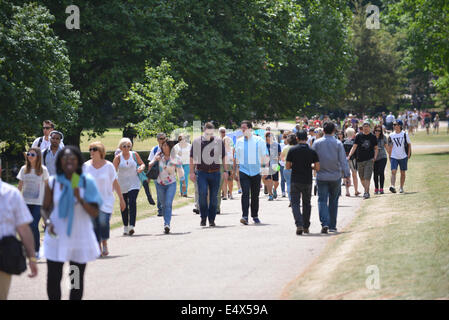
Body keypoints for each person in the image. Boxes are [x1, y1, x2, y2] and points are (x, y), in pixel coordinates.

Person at [40, 146, 102, 300]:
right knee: (54, 278)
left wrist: (80, 198)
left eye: (72, 158)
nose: (69, 161)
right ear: (60, 162)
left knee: (75, 280)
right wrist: (48, 222)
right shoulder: (53, 182)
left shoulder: (86, 182)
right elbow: (45, 208)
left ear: (78, 162)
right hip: (56, 236)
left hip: (78, 238)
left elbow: (95, 212)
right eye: (65, 158)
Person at [0, 158, 38, 300]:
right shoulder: (12, 192)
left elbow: (24, 229)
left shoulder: (11, 193)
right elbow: (23, 229)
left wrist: (32, 257)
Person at [83, 142, 126, 256]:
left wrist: (121, 199)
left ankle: (104, 242)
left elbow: (115, 183)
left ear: (101, 151)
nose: (91, 151)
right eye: (90, 149)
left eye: (94, 149)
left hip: (106, 200)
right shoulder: (86, 166)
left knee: (103, 222)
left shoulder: (109, 166)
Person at [312, 122, 350, 233]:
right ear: (334, 131)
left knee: (322, 200)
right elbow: (343, 161)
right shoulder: (338, 143)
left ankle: (325, 223)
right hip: (335, 176)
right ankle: (332, 225)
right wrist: (347, 175)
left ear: (323, 131)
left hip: (321, 175)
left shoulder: (317, 143)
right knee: (334, 201)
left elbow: (313, 159)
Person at [190, 122, 225, 227]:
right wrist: (191, 172)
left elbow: (223, 156)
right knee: (202, 194)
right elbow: (192, 158)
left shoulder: (218, 141)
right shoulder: (197, 142)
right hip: (202, 173)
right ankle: (203, 217)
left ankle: (212, 219)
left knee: (214, 197)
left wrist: (226, 171)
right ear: (204, 131)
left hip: (215, 172)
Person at [16, 147, 49, 259]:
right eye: (29, 154)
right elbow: (20, 186)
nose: (30, 156)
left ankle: (36, 250)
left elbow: (47, 187)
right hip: (25, 202)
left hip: (38, 203)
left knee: (34, 225)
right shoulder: (23, 169)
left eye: (32, 155)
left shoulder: (43, 170)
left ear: (38, 157)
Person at [233, 120, 268, 225]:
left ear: (250, 129)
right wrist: (234, 171)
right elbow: (235, 157)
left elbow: (265, 156)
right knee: (245, 194)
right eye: (241, 128)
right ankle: (244, 216)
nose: (242, 130)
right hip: (244, 171)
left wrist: (265, 169)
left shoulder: (259, 140)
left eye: (244, 128)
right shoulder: (239, 141)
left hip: (256, 171)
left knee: (255, 195)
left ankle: (255, 215)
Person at [286, 130, 320, 235]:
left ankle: (299, 224)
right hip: (307, 180)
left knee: (295, 203)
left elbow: (287, 166)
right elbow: (317, 167)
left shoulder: (292, 150)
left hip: (295, 179)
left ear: (297, 138)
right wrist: (310, 166)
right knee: (307, 203)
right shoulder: (312, 151)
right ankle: (306, 226)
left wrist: (295, 166)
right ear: (307, 138)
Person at [150, 140, 185, 233]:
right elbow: (150, 165)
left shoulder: (175, 158)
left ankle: (167, 224)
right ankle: (166, 222)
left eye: (166, 145)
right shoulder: (159, 156)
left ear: (170, 147)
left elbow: (180, 170)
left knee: (168, 203)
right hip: (159, 183)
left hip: (171, 184)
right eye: (163, 146)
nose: (164, 147)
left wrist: (183, 182)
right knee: (163, 205)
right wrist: (155, 160)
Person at [113, 138, 145, 236]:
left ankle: (131, 225)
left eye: (128, 146)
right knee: (124, 205)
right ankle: (125, 226)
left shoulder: (134, 155)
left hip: (134, 183)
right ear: (120, 147)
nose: (126, 148)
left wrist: (141, 168)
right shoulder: (118, 158)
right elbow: (113, 171)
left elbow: (142, 163)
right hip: (122, 184)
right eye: (124, 146)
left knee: (132, 201)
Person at [347, 121, 378, 199]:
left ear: (369, 128)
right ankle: (366, 190)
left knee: (367, 176)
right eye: (364, 126)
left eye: (367, 126)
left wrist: (375, 157)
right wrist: (349, 155)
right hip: (359, 160)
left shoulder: (373, 137)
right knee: (361, 178)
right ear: (362, 128)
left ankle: (366, 192)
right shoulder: (358, 136)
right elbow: (354, 147)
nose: (365, 128)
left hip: (369, 159)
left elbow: (376, 148)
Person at [387, 120, 412, 193]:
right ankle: (392, 186)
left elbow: (409, 144)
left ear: (400, 126)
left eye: (395, 124)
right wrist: (390, 156)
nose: (394, 126)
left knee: (403, 172)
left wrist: (408, 154)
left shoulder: (404, 134)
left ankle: (401, 187)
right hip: (394, 156)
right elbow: (390, 146)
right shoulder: (391, 135)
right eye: (393, 124)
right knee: (393, 171)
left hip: (403, 156)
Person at [148, 133, 167, 216]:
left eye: (164, 138)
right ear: (157, 140)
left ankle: (166, 208)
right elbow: (150, 163)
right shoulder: (155, 149)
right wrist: (149, 176)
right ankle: (160, 210)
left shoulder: (169, 148)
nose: (162, 140)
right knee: (159, 192)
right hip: (157, 173)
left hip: (167, 173)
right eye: (160, 139)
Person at [263, 132, 281, 201]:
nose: (270, 137)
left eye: (271, 136)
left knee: (276, 181)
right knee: (268, 179)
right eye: (269, 136)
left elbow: (280, 155)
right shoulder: (264, 145)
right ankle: (270, 195)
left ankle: (274, 189)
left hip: (275, 164)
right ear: (266, 137)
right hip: (266, 164)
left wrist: (278, 158)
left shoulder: (277, 145)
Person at [343, 128, 361, 197]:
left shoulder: (344, 141)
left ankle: (347, 191)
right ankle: (356, 190)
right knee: (354, 175)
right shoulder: (354, 141)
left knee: (346, 176)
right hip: (353, 159)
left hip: (345, 159)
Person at [281, 134, 298, 206]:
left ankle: (291, 199)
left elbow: (281, 158)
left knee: (288, 184)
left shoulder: (285, 148)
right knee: (297, 185)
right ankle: (296, 199)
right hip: (297, 168)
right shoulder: (297, 148)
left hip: (287, 168)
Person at [373, 125, 388, 195]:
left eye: (379, 131)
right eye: (376, 130)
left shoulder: (383, 137)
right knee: (375, 173)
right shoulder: (371, 137)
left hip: (383, 157)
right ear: (374, 130)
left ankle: (381, 188)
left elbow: (386, 147)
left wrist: (391, 155)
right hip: (374, 158)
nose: (377, 132)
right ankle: (376, 188)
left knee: (381, 172)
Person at [278, 132, 288, 198]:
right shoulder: (280, 145)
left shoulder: (291, 145)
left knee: (288, 179)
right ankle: (283, 191)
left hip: (289, 164)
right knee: (282, 178)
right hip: (281, 164)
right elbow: (278, 154)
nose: (286, 139)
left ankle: (288, 190)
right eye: (285, 138)